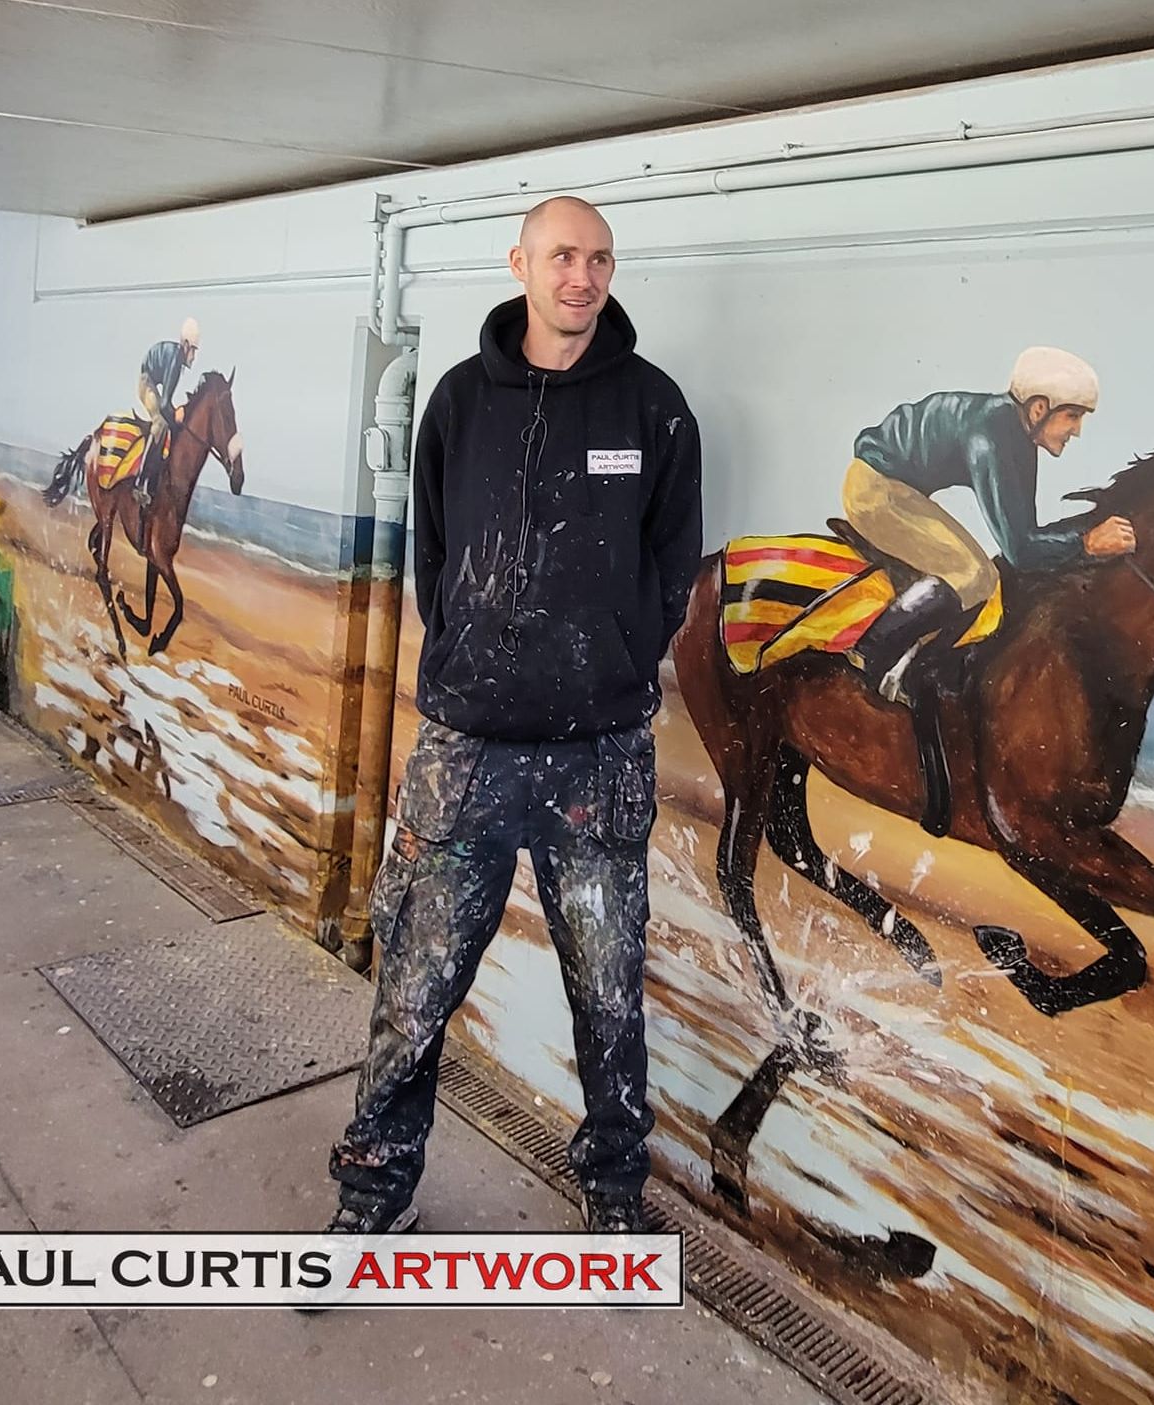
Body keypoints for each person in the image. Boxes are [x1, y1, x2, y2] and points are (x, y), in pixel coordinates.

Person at [324, 197, 703, 1239]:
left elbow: (675, 566)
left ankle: (616, 1197)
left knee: (611, 1001)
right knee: (415, 987)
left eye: (599, 259)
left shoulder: (655, 410)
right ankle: (373, 1194)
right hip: (468, 752)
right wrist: (468, 659)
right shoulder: (457, 400)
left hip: (599, 757)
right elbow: (432, 557)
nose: (582, 276)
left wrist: (622, 658)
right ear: (522, 265)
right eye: (562, 256)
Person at [839, 348, 1137, 833]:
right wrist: (1087, 542)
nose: (1077, 430)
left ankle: (919, 656)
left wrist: (1078, 542)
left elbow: (1028, 532)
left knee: (978, 571)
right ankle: (871, 651)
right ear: (1038, 409)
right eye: (1072, 416)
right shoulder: (993, 436)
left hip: (902, 487)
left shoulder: (1018, 436)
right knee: (975, 574)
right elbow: (1020, 549)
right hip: (876, 491)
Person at [133, 318, 199, 507]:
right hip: (146, 382)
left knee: (169, 423)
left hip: (154, 383)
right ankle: (139, 482)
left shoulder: (177, 359)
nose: (194, 356)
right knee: (161, 423)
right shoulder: (176, 359)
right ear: (185, 345)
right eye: (193, 350)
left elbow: (166, 401)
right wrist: (175, 416)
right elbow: (164, 405)